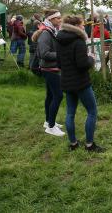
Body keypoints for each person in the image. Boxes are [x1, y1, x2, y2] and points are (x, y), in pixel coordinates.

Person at [56, 16, 105, 152]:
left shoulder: (59, 40)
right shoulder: (79, 41)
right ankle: (89, 145)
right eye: (82, 25)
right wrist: (91, 58)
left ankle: (73, 144)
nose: (84, 27)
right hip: (81, 83)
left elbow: (59, 63)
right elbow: (82, 65)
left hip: (66, 82)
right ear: (76, 26)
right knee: (92, 111)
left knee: (70, 113)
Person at [32, 9, 65, 137]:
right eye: (58, 18)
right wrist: (61, 55)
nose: (60, 20)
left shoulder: (51, 31)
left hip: (51, 68)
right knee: (58, 96)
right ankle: (51, 127)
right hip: (50, 69)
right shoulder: (46, 33)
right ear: (51, 19)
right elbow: (44, 54)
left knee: (51, 96)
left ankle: (48, 122)